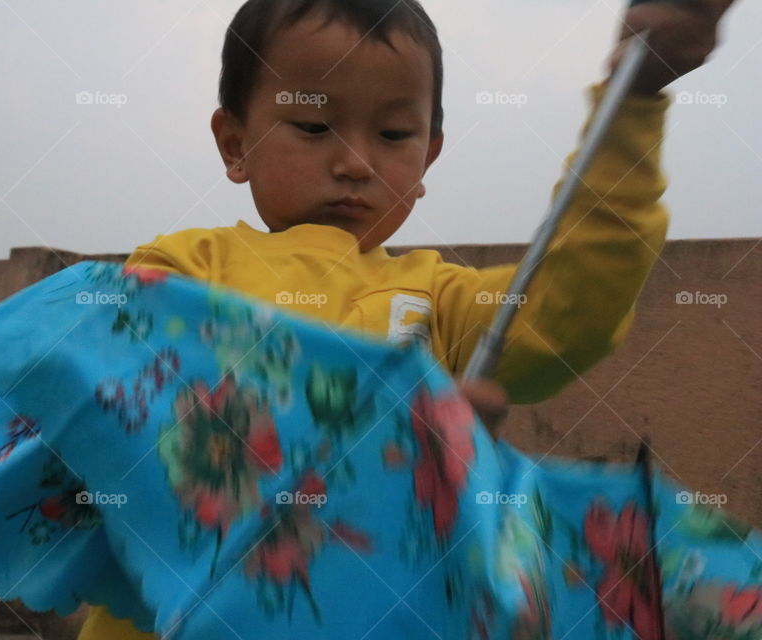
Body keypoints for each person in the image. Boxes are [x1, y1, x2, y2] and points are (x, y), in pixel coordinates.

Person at [78, 0, 735, 637]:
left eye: (394, 135)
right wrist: (386, 448)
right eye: (312, 126)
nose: (357, 164)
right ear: (235, 143)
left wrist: (635, 103)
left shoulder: (442, 300)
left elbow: (573, 307)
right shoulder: (181, 269)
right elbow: (120, 429)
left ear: (428, 157)